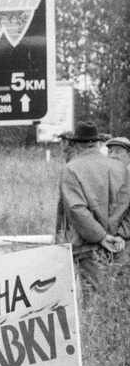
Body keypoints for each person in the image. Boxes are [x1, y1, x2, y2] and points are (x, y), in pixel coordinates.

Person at [56, 123, 129, 292]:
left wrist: (101, 237)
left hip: (88, 249)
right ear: (97, 143)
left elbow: (76, 209)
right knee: (120, 298)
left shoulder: (71, 169)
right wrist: (120, 235)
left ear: (77, 144)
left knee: (95, 298)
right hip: (121, 246)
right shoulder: (120, 168)